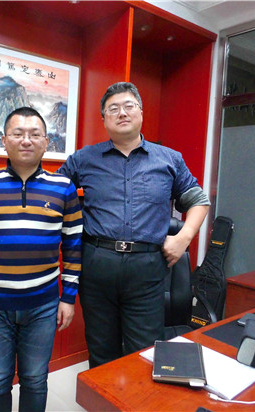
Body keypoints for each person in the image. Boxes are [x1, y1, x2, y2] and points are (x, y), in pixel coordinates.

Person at [57, 82, 210, 368]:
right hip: (97, 265)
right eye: (113, 109)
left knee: (144, 353)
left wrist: (184, 238)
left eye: (129, 106)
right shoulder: (83, 159)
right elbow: (52, 194)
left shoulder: (169, 159)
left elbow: (199, 201)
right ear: (104, 119)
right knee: (101, 351)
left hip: (147, 268)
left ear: (141, 112)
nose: (122, 113)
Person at [0, 107, 82, 412]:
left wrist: (68, 298)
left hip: (43, 305)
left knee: (35, 379)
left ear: (46, 142)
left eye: (35, 134)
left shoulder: (63, 187)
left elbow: (74, 246)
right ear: (4, 141)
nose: (26, 140)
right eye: (18, 133)